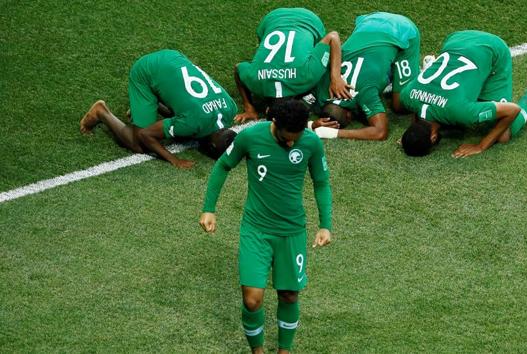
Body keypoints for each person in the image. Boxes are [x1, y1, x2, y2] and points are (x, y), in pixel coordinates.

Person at [199, 99, 332, 353]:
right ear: (274, 124)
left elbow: (321, 182)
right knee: (252, 300)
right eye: (286, 138)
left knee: (289, 295)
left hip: (292, 232)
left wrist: (325, 225)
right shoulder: (250, 137)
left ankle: (284, 350)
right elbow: (223, 166)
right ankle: (257, 351)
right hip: (256, 230)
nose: (292, 143)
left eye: (297, 137)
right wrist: (209, 208)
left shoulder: (311, 142)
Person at [399, 30, 527, 157]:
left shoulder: (460, 111)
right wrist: (412, 137)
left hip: (493, 50)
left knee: (503, 135)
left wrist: (480, 146)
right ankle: (432, 65)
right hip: (456, 38)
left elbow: (512, 110)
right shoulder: (407, 97)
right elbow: (417, 111)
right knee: (453, 115)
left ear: (433, 138)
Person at [80, 49, 237, 168]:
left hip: (174, 58)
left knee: (185, 130)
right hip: (146, 70)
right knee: (138, 144)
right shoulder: (192, 122)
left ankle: (143, 108)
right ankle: (101, 112)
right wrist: (174, 160)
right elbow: (145, 135)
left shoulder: (231, 108)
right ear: (213, 146)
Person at [310, 12, 421, 141]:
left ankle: (426, 71)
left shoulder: (364, 93)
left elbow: (380, 132)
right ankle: (391, 77)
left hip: (404, 31)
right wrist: (312, 125)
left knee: (400, 105)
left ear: (349, 116)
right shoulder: (321, 87)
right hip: (369, 21)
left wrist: (334, 133)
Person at [234, 7, 351, 123]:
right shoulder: (254, 81)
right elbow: (238, 68)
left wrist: (336, 78)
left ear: (267, 110)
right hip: (272, 19)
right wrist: (249, 107)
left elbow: (333, 37)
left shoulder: (307, 76)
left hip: (307, 20)